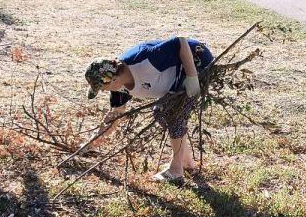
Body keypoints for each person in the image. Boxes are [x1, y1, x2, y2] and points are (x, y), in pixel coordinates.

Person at [84, 36, 214, 182]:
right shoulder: (118, 87)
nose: (102, 91)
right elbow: (115, 116)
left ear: (113, 79)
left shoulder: (144, 60)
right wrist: (90, 143)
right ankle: (186, 162)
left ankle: (176, 171)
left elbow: (180, 42)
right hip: (173, 76)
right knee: (161, 114)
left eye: (101, 87)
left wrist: (192, 76)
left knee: (171, 113)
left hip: (196, 60)